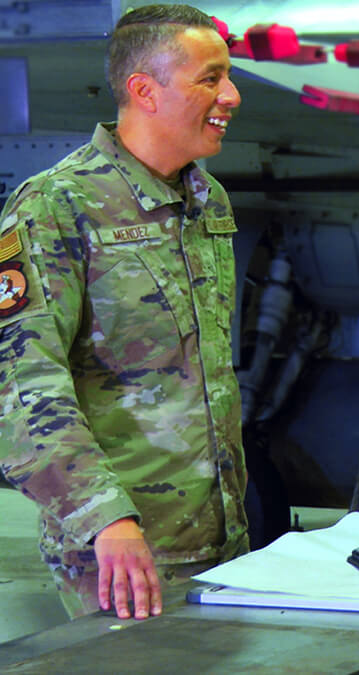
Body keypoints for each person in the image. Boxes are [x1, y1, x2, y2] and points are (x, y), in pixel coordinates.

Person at [0, 5, 247, 620]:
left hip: (223, 543)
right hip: (118, 555)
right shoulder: (55, 206)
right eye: (210, 78)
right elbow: (21, 382)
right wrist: (104, 517)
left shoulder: (205, 198)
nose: (232, 94)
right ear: (144, 90)